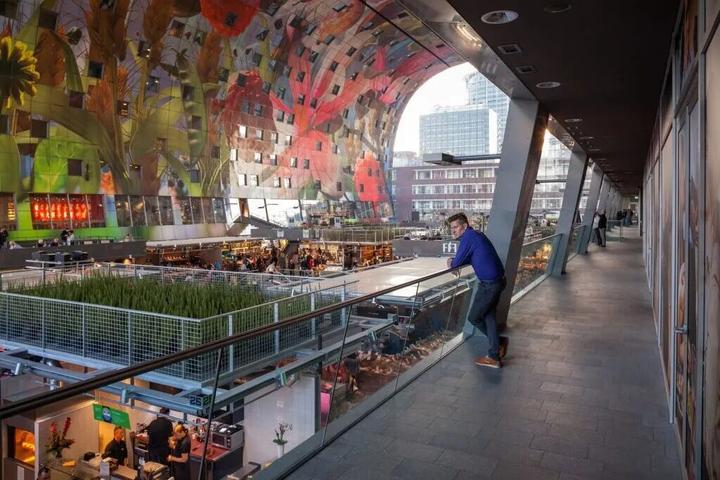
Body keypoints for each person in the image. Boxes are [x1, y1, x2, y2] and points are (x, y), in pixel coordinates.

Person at [446, 212, 508, 369]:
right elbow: (468, 257)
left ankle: (496, 351)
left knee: (474, 318)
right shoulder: (475, 235)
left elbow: (456, 262)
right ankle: (496, 349)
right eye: (451, 228)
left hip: (490, 285)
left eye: (455, 227)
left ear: (464, 226)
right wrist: (456, 261)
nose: (453, 230)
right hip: (496, 281)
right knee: (489, 316)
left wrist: (451, 262)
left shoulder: (469, 237)